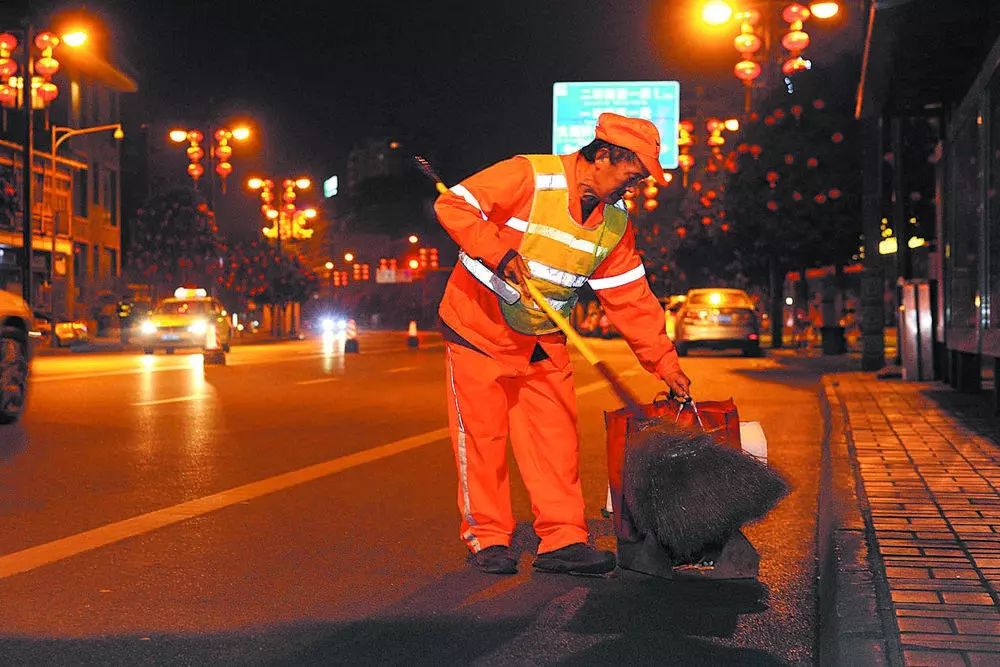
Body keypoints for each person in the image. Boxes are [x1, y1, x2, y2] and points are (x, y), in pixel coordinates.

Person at [434, 112, 691, 577]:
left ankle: (563, 538)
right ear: (606, 154)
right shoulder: (528, 174)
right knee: (483, 438)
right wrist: (498, 252)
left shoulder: (614, 224)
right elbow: (453, 206)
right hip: (478, 330)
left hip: (543, 337)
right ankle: (488, 538)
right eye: (629, 175)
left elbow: (630, 297)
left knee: (556, 440)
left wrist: (664, 365)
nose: (629, 188)